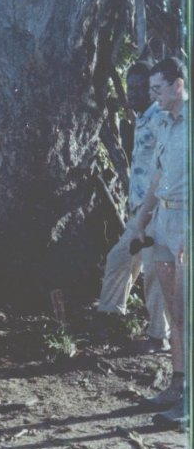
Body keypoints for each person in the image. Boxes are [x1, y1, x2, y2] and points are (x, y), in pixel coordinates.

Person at [95, 62, 168, 352]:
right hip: (139, 211)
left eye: (141, 88)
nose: (134, 93)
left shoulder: (160, 118)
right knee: (119, 258)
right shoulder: (141, 118)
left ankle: (158, 337)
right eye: (131, 88)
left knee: (153, 272)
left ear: (152, 90)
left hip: (157, 211)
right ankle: (111, 315)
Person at [134, 57, 189, 429]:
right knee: (175, 314)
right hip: (164, 223)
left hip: (187, 223)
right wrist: (142, 221)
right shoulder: (165, 123)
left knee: (189, 312)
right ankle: (179, 384)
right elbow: (157, 175)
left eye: (157, 89)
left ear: (178, 86)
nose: (152, 96)